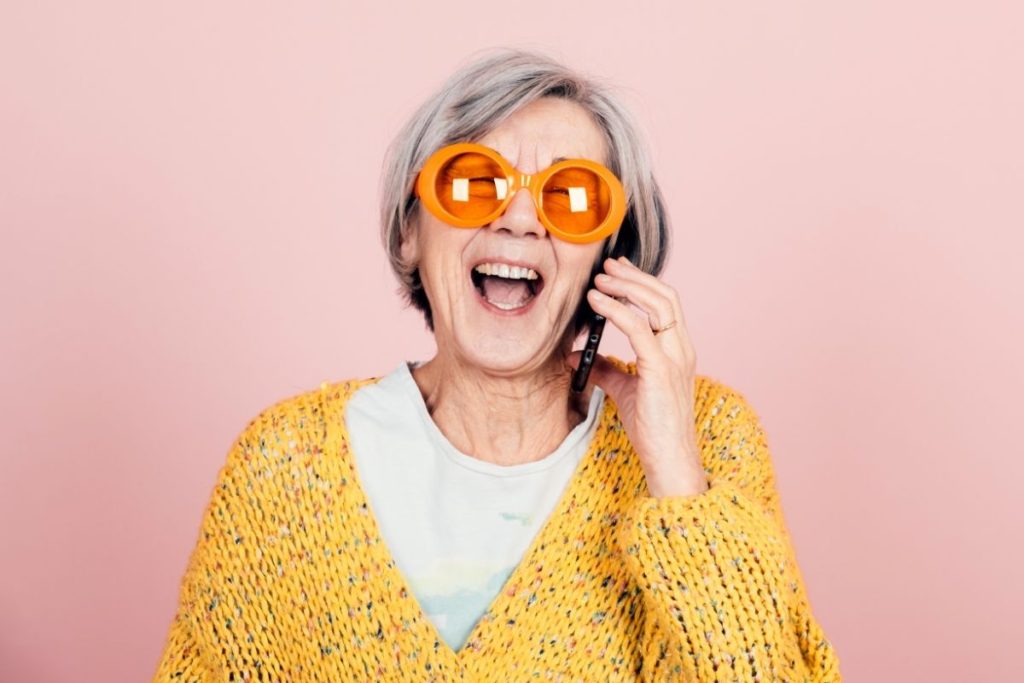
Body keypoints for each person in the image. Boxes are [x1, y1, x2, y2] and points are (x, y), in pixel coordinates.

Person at [153, 48, 842, 682]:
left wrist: (677, 479)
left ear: (611, 257)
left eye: (571, 196)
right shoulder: (286, 464)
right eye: (472, 183)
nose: (518, 220)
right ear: (409, 232)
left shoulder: (708, 437)